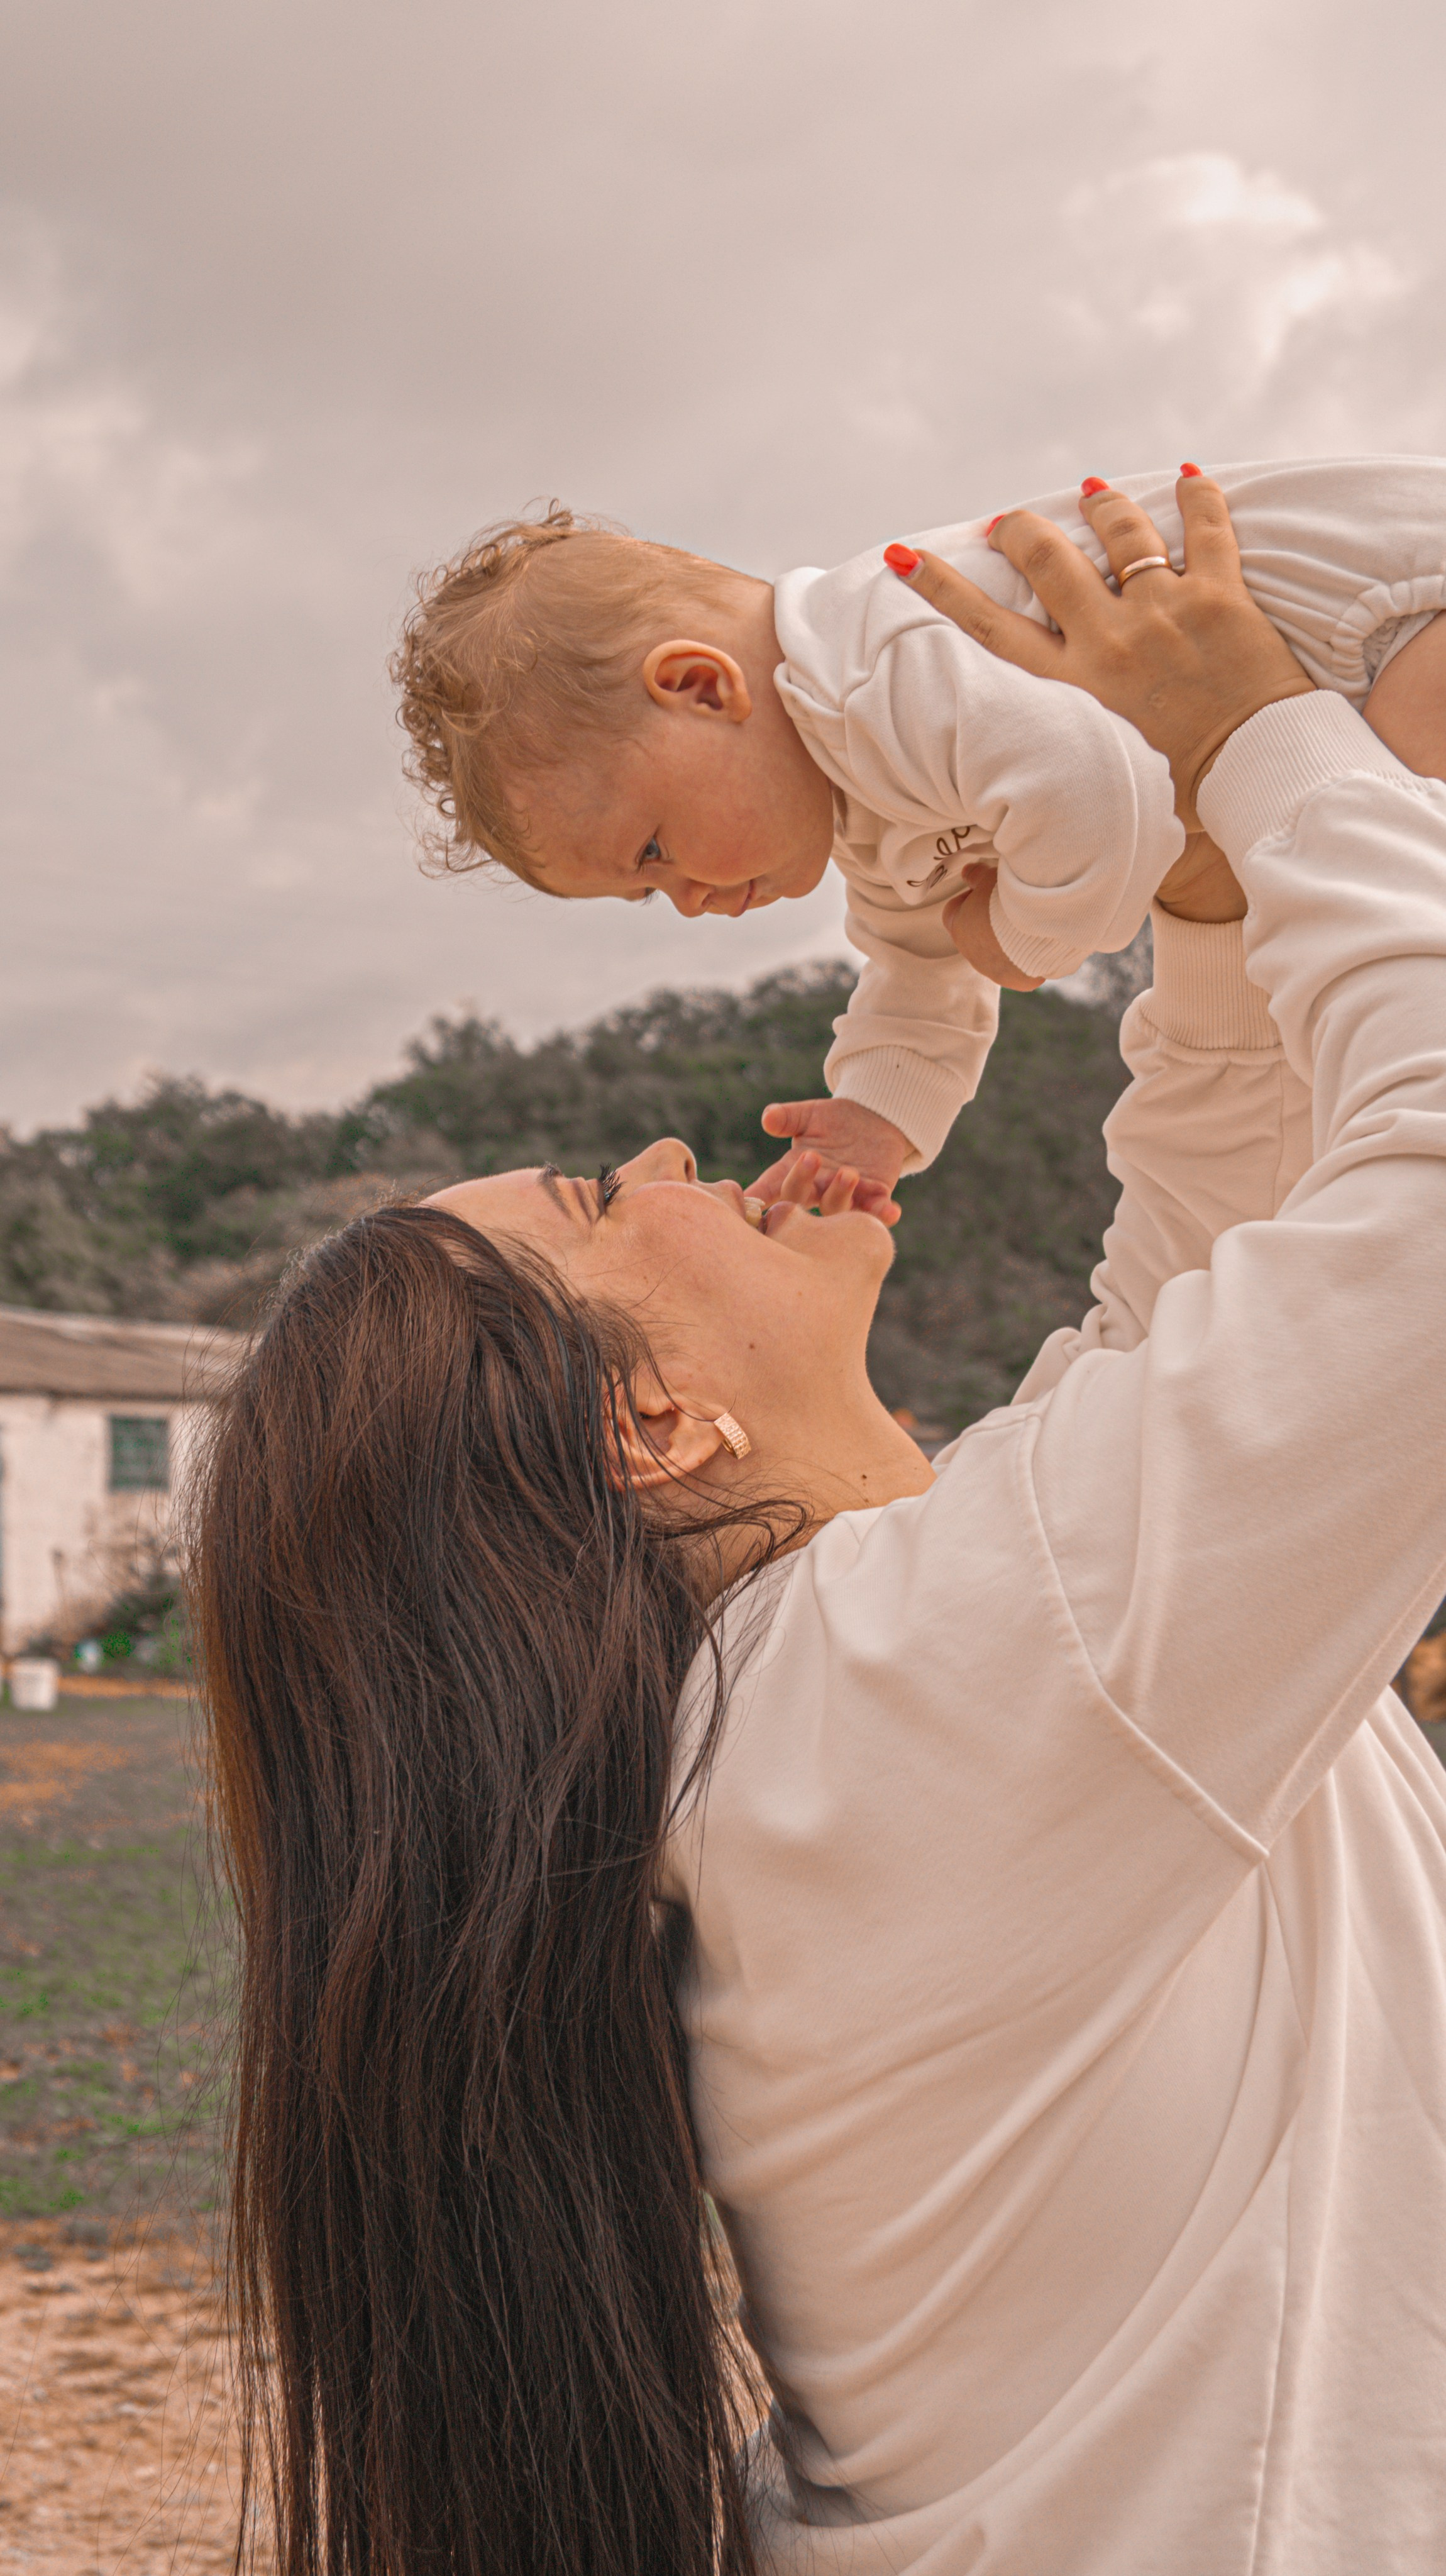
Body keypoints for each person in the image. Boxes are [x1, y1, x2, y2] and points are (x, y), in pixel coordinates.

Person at [194, 478, 1446, 2575]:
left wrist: (1217, 913)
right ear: (654, 1420)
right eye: (607, 1199)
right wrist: (1269, 747)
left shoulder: (837, 1711)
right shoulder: (926, 1690)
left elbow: (1200, 1261)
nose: (681, 1149)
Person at [392, 457, 1446, 1223]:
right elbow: (918, 966)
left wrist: (1021, 938)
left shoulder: (870, 666)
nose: (693, 903)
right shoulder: (870, 804)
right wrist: (875, 1116)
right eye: (650, 898)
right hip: (1332, 702)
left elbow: (1099, 792)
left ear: (702, 687)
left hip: (1397, 614)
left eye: (656, 851)